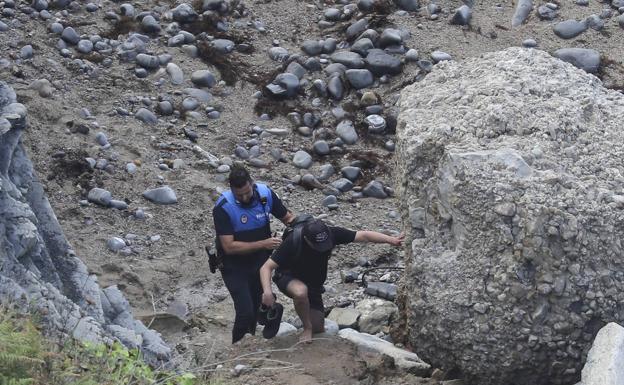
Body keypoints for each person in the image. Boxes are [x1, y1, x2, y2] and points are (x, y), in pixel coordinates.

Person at [259, 218, 404, 343]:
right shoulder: (293, 241)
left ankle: (309, 323)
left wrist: (391, 240)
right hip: (288, 277)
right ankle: (306, 328)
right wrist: (267, 292)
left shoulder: (331, 233)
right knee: (301, 292)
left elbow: (364, 235)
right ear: (307, 239)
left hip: (313, 285)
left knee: (318, 328)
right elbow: (266, 267)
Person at [212, 165, 294, 343]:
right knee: (245, 310)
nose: (244, 197)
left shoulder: (265, 195)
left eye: (247, 193)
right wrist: (264, 243)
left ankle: (250, 343)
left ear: (252, 184)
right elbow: (229, 247)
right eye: (238, 195)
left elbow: (288, 218)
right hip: (233, 266)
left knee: (256, 305)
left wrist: (303, 228)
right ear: (231, 190)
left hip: (260, 262)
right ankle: (237, 349)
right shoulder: (224, 206)